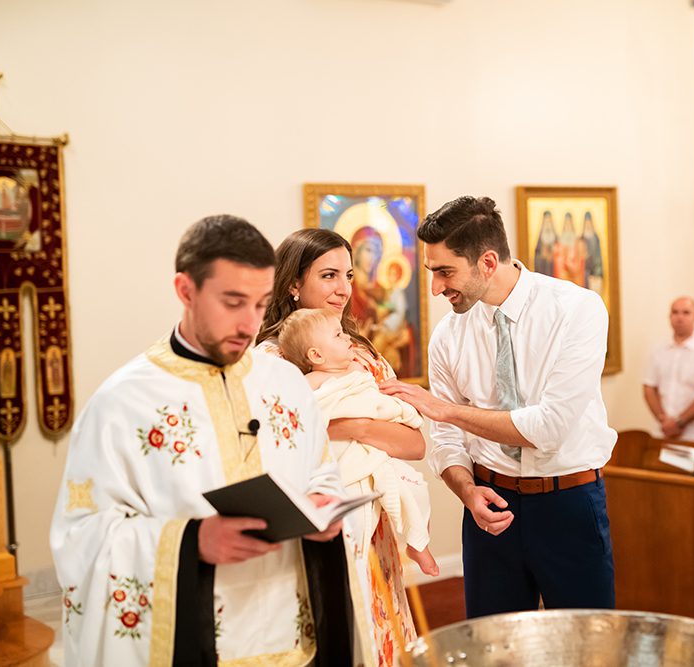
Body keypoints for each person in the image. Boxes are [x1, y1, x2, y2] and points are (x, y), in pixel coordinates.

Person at [50, 215, 345, 666]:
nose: (250, 323)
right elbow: (82, 537)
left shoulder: (285, 381)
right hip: (191, 644)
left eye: (261, 303)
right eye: (233, 302)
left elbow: (320, 469)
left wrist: (324, 502)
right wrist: (191, 542)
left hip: (293, 639)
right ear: (185, 290)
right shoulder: (121, 403)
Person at [380, 196, 616, 618]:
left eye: (444, 272)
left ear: (487, 262)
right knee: (490, 648)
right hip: (489, 505)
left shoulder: (577, 310)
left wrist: (445, 410)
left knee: (587, 646)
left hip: (569, 503)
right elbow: (447, 440)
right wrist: (467, 491)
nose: (435, 287)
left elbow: (549, 427)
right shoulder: (448, 336)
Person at [255, 228, 423, 667]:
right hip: (312, 524)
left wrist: (354, 426)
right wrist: (357, 427)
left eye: (347, 274)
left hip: (373, 522)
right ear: (293, 283)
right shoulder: (269, 361)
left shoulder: (363, 354)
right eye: (329, 275)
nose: (345, 288)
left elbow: (415, 442)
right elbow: (277, 445)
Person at [277, 307, 438, 577]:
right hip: (344, 465)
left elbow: (378, 404)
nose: (348, 339)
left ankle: (418, 543)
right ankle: (356, 561)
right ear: (316, 355)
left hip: (375, 455)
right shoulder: (312, 380)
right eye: (338, 335)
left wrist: (395, 409)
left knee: (416, 488)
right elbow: (298, 415)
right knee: (356, 521)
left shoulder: (358, 367)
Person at [643, 297, 694, 442]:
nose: (679, 318)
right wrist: (663, 419)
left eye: (686, 313)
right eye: (675, 312)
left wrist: (679, 422)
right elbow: (649, 388)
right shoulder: (658, 349)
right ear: (669, 317)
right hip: (663, 431)